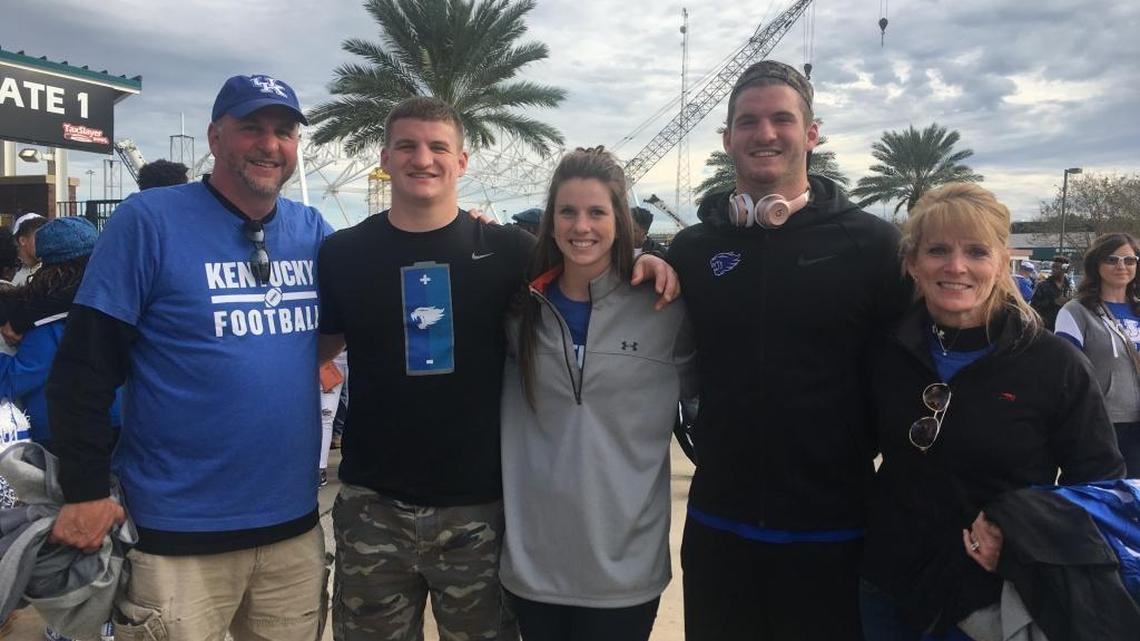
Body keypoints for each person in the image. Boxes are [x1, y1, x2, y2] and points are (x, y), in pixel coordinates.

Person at [316, 97, 678, 641]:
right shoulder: (342, 253)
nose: (423, 158)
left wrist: (644, 261)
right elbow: (318, 350)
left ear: (461, 162)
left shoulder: (510, 252)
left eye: (439, 147)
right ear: (384, 157)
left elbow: (588, 265)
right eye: (407, 146)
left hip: (479, 513)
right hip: (373, 506)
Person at [44, 74, 332, 641]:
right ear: (215, 137)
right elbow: (84, 367)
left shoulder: (312, 230)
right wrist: (84, 490)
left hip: (293, 531)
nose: (269, 144)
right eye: (251, 127)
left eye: (283, 131)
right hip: (176, 536)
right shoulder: (148, 222)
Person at [665, 60, 909, 639]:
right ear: (727, 139)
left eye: (781, 118)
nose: (765, 133)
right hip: (718, 520)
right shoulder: (694, 249)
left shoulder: (874, 245)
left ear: (812, 133)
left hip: (834, 527)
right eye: (748, 121)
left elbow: (915, 370)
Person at [859, 183, 1125, 639]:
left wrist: (1022, 531)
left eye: (976, 252)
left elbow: (1102, 485)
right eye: (938, 250)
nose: (956, 266)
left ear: (1002, 263)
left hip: (994, 596)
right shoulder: (886, 352)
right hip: (888, 586)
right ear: (912, 264)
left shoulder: (1053, 363)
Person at [499, 147, 696, 641]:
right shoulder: (518, 312)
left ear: (619, 219)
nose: (580, 226)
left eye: (596, 212)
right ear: (550, 220)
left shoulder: (665, 308)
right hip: (534, 567)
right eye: (567, 211)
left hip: (627, 572)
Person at [1055, 233, 1140, 475]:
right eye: (1112, 260)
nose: (1121, 266)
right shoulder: (1076, 311)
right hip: (1099, 423)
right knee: (1100, 499)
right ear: (1096, 264)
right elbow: (1067, 372)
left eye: (1130, 260)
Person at [1029, 255, 1073, 330]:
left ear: (1065, 270)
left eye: (1057, 267)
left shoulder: (1068, 287)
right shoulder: (1043, 286)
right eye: (1053, 267)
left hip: (1063, 326)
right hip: (1047, 327)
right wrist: (1053, 302)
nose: (1053, 269)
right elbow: (1034, 306)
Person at [11, 214, 46, 286]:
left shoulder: (52, 272)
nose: (45, 242)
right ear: (22, 240)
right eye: (39, 238)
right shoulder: (9, 270)